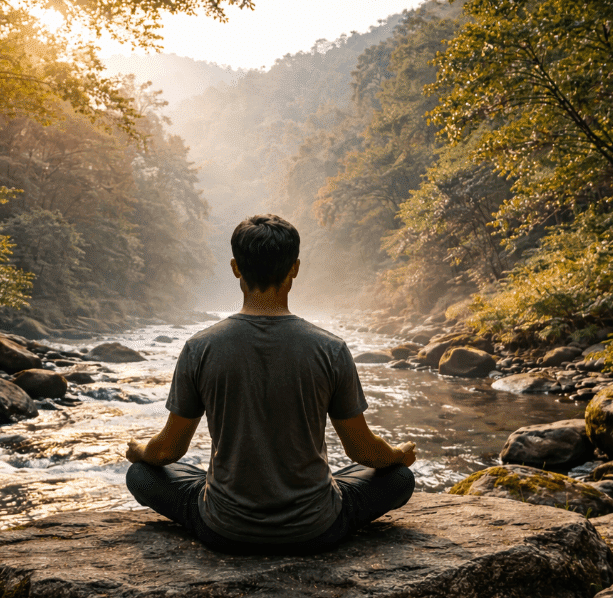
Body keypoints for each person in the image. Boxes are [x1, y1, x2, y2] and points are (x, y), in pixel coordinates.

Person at [125, 214, 416, 554]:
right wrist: (397, 454)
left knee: (140, 475)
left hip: (223, 528)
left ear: (235, 268)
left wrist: (140, 452)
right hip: (317, 528)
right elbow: (362, 450)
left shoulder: (200, 347)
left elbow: (169, 451)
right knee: (398, 478)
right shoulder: (330, 349)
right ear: (294, 268)